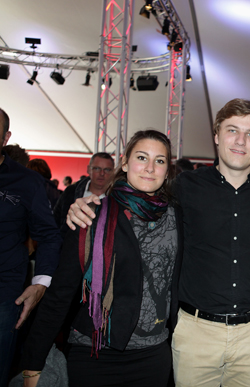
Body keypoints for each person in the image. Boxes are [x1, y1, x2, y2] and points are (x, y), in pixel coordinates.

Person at [67, 99, 250, 387]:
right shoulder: (182, 187)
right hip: (195, 331)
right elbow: (137, 192)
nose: (240, 141)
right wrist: (92, 203)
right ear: (217, 135)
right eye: (232, 130)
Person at [20, 130, 181, 387]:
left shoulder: (176, 216)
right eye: (142, 157)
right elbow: (60, 294)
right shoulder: (91, 216)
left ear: (167, 170)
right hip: (95, 352)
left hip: (154, 355)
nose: (150, 168)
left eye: (160, 161)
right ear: (125, 163)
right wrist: (33, 364)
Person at [0, 108, 61, 387]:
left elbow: (49, 236)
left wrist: (40, 284)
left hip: (4, 293)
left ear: (5, 138)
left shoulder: (27, 182)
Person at [53, 152, 114, 230]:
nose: (102, 173)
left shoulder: (120, 196)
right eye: (97, 168)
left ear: (113, 172)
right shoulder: (71, 192)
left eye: (107, 170)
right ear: (88, 169)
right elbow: (55, 220)